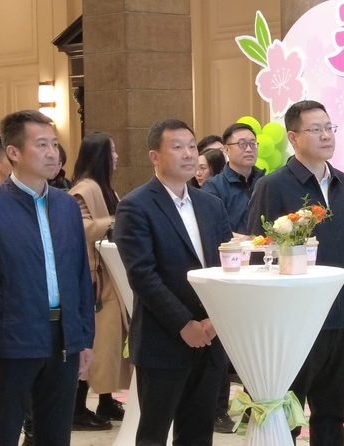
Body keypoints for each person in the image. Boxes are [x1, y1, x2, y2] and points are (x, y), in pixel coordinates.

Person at [0, 110, 95, 446]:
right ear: (13, 152)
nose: (53, 153)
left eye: (55, 144)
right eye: (42, 144)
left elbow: (80, 276)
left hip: (63, 341)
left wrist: (83, 338)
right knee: (3, 434)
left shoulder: (66, 206)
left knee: (55, 435)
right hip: (11, 342)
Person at [247, 100, 344, 445]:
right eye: (315, 129)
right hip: (295, 319)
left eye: (329, 128)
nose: (326, 135)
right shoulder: (273, 186)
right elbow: (259, 252)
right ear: (292, 137)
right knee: (286, 411)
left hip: (342, 315)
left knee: (333, 413)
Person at [115, 118, 232, 445]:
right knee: (153, 435)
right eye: (177, 147)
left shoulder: (211, 205)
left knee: (198, 434)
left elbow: (227, 266)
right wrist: (184, 324)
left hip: (210, 338)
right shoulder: (135, 206)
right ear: (155, 156)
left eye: (192, 146)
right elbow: (143, 276)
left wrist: (214, 321)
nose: (189, 154)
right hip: (163, 340)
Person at [68, 132, 130, 429]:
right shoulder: (83, 189)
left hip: (111, 277)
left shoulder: (105, 189)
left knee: (110, 344)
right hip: (96, 281)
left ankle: (106, 400)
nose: (116, 156)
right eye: (112, 151)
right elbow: (78, 229)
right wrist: (115, 220)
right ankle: (76, 409)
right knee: (96, 343)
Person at [202, 123, 265, 236]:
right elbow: (212, 227)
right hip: (233, 247)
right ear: (227, 149)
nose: (249, 149)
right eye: (242, 144)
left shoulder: (265, 182)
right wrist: (249, 241)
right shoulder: (213, 186)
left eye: (253, 144)